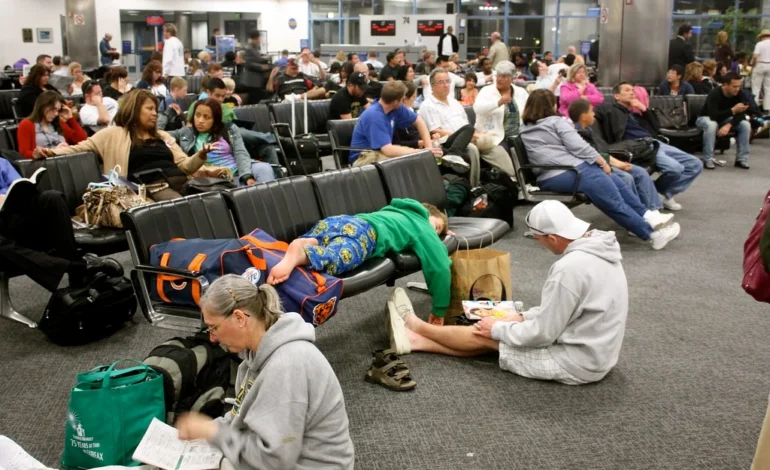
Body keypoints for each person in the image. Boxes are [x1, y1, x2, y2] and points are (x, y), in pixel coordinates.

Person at [385, 200, 628, 385]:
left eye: (538, 239)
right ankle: (417, 342)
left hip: (575, 363)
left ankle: (417, 327)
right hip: (598, 353)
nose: (539, 244)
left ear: (552, 238)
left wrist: (497, 328)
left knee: (487, 334)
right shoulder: (601, 247)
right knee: (500, 327)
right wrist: (519, 318)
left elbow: (542, 334)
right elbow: (568, 313)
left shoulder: (569, 269)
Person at [177, 275, 354, 469]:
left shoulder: (286, 366)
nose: (212, 338)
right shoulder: (255, 355)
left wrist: (212, 433)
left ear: (239, 318)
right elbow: (241, 417)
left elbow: (273, 461)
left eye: (213, 327)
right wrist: (209, 430)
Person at [519, 89, 680, 249]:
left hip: (554, 175)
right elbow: (579, 147)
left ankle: (649, 215)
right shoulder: (556, 122)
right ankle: (652, 234)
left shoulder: (524, 128)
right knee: (613, 198)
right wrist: (603, 162)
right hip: (568, 172)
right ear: (551, 105)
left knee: (613, 180)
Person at [266, 198, 450, 326]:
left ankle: (308, 243)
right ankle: (302, 253)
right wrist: (439, 309)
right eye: (437, 227)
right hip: (365, 234)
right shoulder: (423, 225)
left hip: (342, 220)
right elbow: (440, 265)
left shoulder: (395, 211)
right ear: (428, 215)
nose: (435, 233)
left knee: (321, 239)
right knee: (338, 257)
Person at [38, 89, 209, 201]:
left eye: (155, 109)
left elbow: (185, 166)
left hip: (181, 182)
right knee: (185, 207)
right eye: (149, 109)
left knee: (213, 198)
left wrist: (201, 155)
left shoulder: (162, 136)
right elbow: (79, 148)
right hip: (149, 188)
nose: (154, 113)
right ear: (134, 110)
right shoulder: (112, 134)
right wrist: (50, 152)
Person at [0, 165, 123, 294]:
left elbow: (18, 188)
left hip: (9, 221)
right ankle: (77, 267)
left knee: (52, 198)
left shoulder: (2, 163)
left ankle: (77, 276)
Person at [596, 82, 703, 210]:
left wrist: (644, 110)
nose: (632, 93)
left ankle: (663, 193)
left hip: (655, 142)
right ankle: (658, 194)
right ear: (617, 96)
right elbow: (593, 113)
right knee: (675, 168)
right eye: (627, 90)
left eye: (632, 90)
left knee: (696, 164)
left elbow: (657, 128)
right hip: (641, 146)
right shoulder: (609, 110)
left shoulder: (634, 114)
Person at [569, 98, 670, 215]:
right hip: (595, 166)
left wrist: (618, 163)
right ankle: (637, 215)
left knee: (640, 172)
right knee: (627, 177)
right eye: (591, 111)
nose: (594, 114)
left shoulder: (588, 130)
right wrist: (618, 164)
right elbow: (592, 156)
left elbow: (600, 152)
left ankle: (653, 210)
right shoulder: (576, 134)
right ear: (583, 116)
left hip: (605, 161)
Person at [421, 68, 512, 176]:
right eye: (441, 82)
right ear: (432, 86)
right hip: (449, 142)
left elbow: (466, 124)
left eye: (447, 81)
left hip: (468, 135)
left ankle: (514, 177)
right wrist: (464, 136)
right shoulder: (428, 105)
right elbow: (435, 131)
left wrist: (475, 135)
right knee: (472, 149)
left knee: (493, 145)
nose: (446, 85)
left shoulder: (454, 102)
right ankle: (473, 187)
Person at [169, 99, 274, 185]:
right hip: (214, 176)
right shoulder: (186, 132)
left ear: (215, 119)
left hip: (238, 170)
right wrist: (166, 114)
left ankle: (265, 203)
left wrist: (246, 175)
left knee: (264, 168)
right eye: (197, 115)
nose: (200, 120)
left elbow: (240, 153)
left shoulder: (229, 129)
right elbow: (160, 134)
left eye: (207, 117)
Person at [349, 81, 439, 166]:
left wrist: (429, 148)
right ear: (396, 101)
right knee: (411, 160)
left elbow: (419, 121)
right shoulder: (375, 115)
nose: (403, 100)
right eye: (403, 98)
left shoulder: (395, 107)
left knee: (416, 156)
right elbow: (388, 150)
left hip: (380, 152)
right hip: (363, 157)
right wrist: (422, 152)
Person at [696, 72, 752, 170]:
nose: (737, 89)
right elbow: (713, 116)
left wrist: (729, 125)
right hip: (706, 117)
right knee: (712, 125)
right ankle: (707, 158)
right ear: (725, 85)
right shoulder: (714, 94)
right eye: (734, 86)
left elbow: (742, 114)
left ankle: (742, 159)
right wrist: (732, 110)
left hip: (726, 119)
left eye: (739, 86)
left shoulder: (740, 93)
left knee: (745, 124)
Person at [17, 91, 86, 159]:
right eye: (54, 109)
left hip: (64, 161)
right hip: (42, 164)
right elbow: (24, 153)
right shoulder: (26, 124)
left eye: (58, 110)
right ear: (43, 106)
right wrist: (53, 151)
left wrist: (70, 119)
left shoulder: (59, 124)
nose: (56, 114)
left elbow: (83, 141)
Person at [241, 31, 271, 105]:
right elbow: (248, 63)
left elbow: (256, 59)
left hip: (257, 80)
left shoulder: (255, 48)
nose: (260, 40)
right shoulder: (249, 48)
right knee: (254, 101)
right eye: (259, 38)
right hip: (252, 80)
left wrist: (264, 59)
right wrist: (261, 67)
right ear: (255, 38)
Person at [753, 29, 770, 115]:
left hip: (760, 64)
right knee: (768, 89)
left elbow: (755, 56)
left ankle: (754, 108)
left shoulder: (759, 44)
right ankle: (767, 109)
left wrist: (753, 65)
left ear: (762, 37)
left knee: (756, 87)